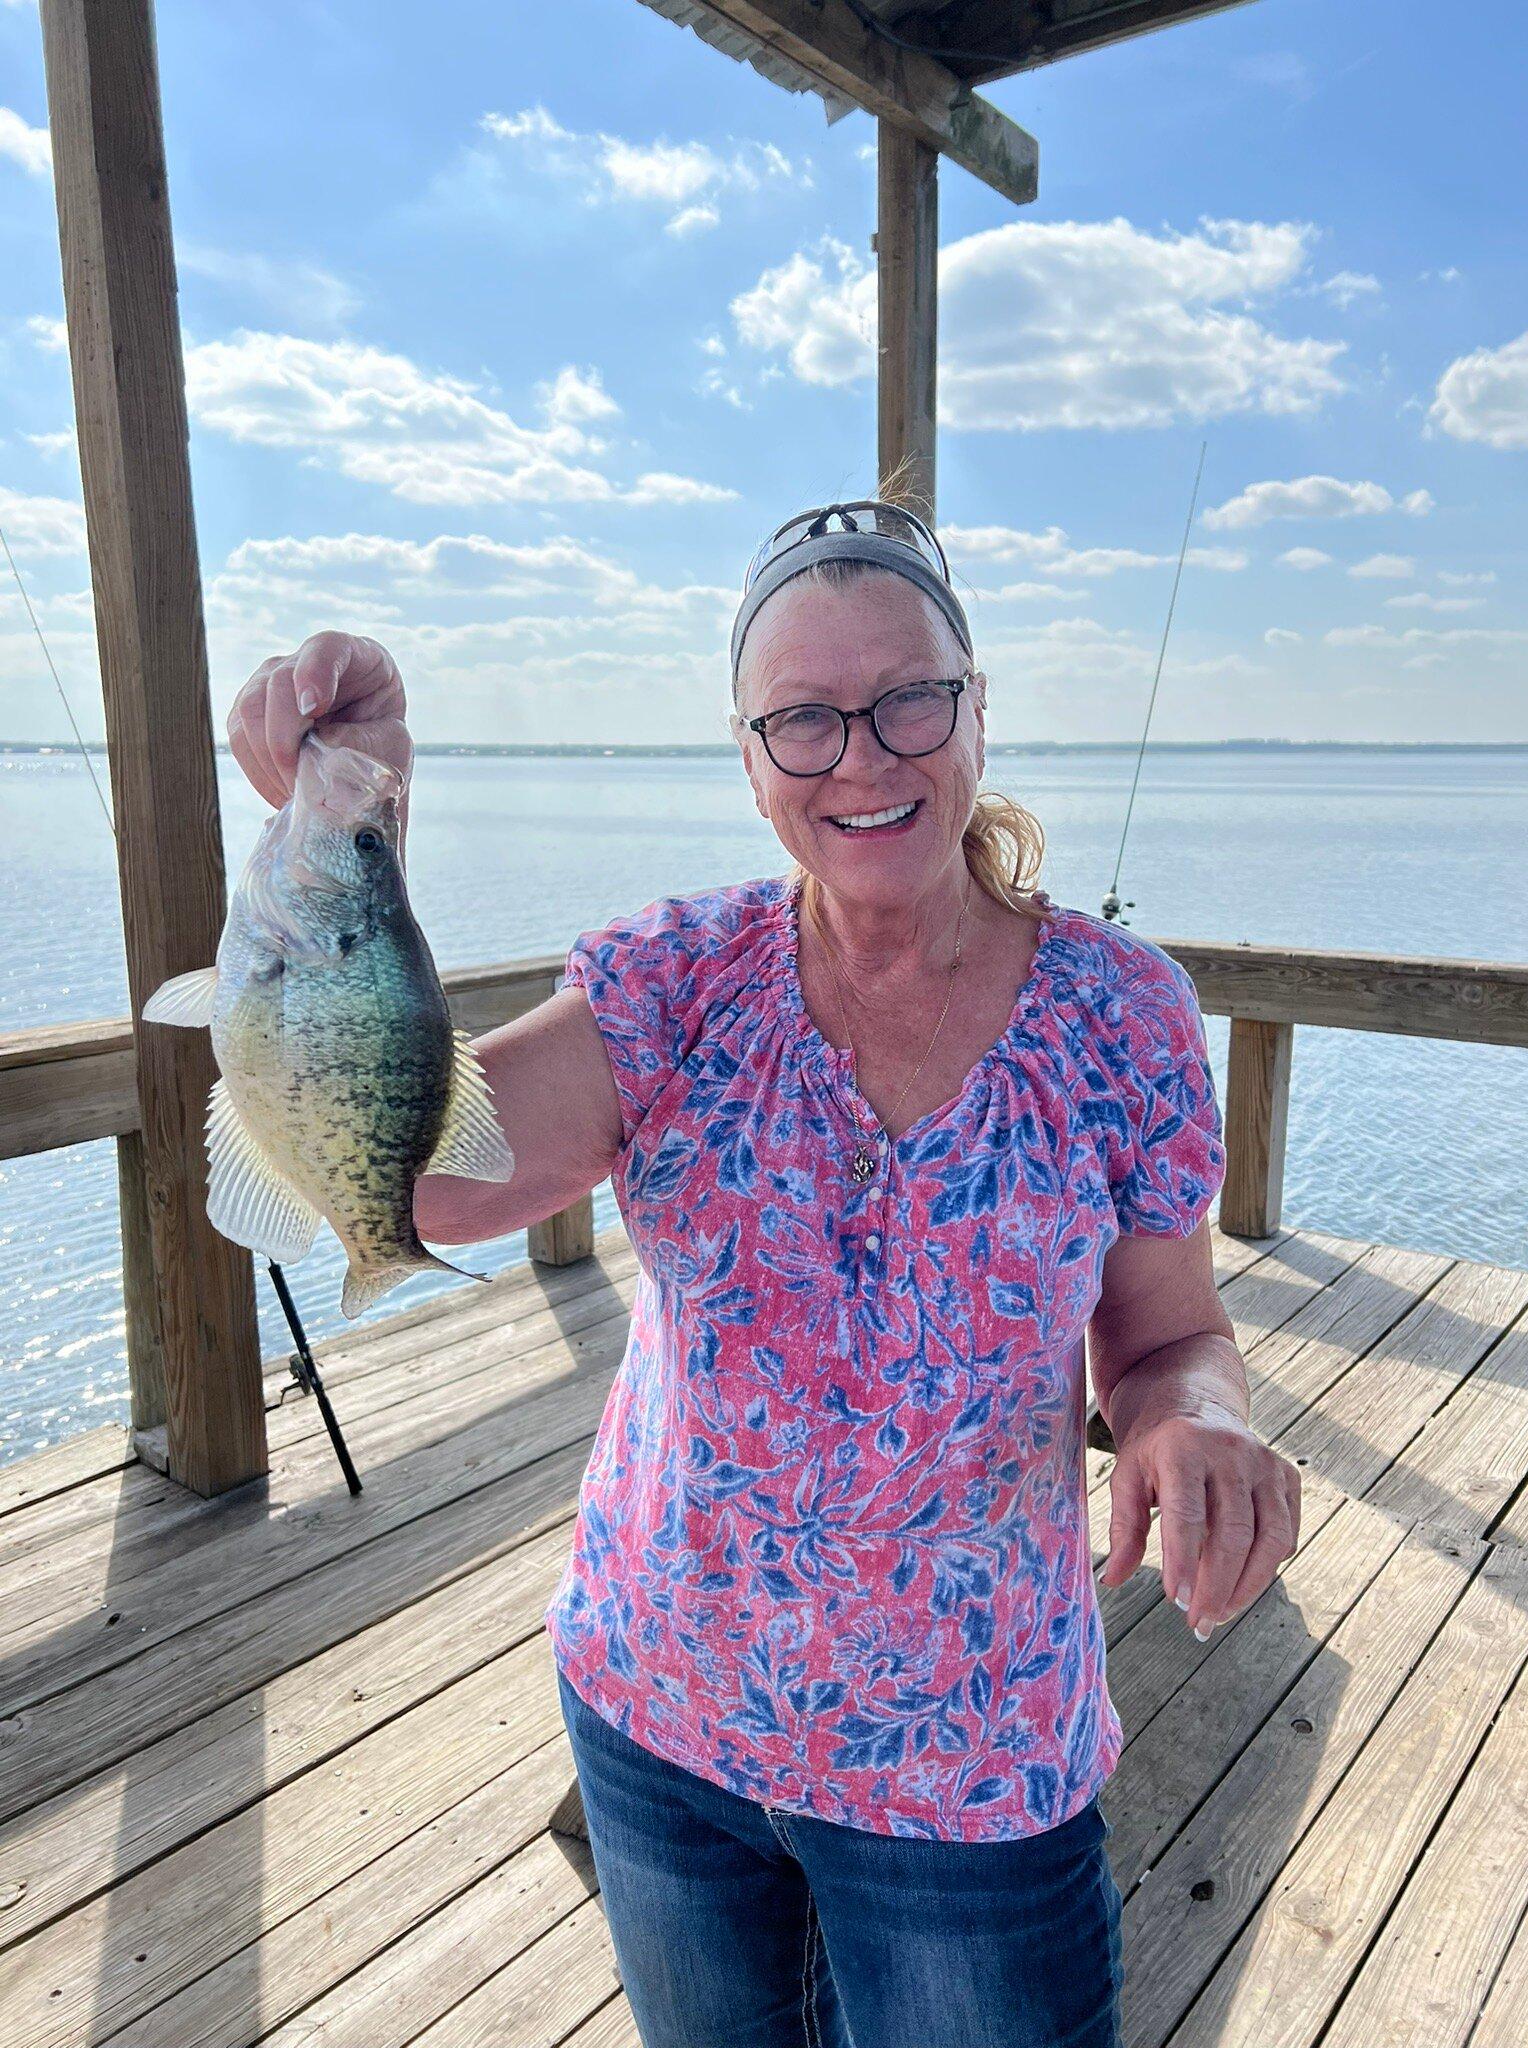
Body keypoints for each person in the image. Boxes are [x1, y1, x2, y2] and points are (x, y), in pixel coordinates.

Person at [228, 499, 1302, 2048]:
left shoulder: (1121, 1016)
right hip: (661, 1721)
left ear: (977, 713)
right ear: (747, 757)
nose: (863, 755)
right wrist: (363, 806)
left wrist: (1193, 1416)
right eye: (802, 718)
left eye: (909, 698)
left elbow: (1169, 1335)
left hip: (972, 1767)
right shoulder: (672, 981)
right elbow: (436, 1180)